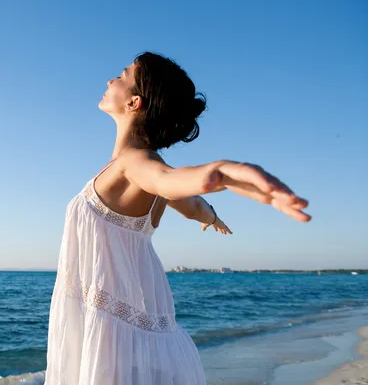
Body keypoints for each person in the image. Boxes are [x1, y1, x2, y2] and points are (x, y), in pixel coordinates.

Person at [44, 51, 310, 385]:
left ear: (134, 102)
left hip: (113, 339)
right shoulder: (135, 166)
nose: (110, 80)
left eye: (121, 76)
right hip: (121, 330)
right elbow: (189, 202)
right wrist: (211, 216)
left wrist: (225, 172)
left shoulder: (134, 163)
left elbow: (170, 180)